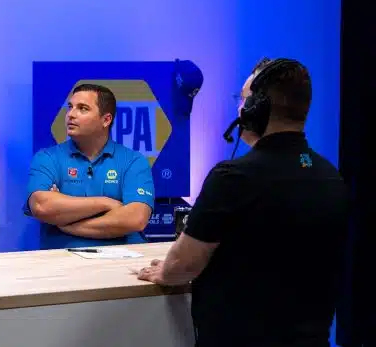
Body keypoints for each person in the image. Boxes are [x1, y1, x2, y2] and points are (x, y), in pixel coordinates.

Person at [136, 58, 349, 347]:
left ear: (256, 109)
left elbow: (182, 267)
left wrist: (165, 270)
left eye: (244, 99)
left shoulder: (233, 178)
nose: (240, 108)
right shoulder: (331, 178)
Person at [24, 83, 155, 250]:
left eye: (83, 109)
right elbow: (42, 206)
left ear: (106, 120)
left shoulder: (133, 161)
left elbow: (136, 218)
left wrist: (68, 224)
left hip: (121, 262)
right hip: (62, 262)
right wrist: (106, 203)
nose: (71, 114)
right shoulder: (47, 157)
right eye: (70, 107)